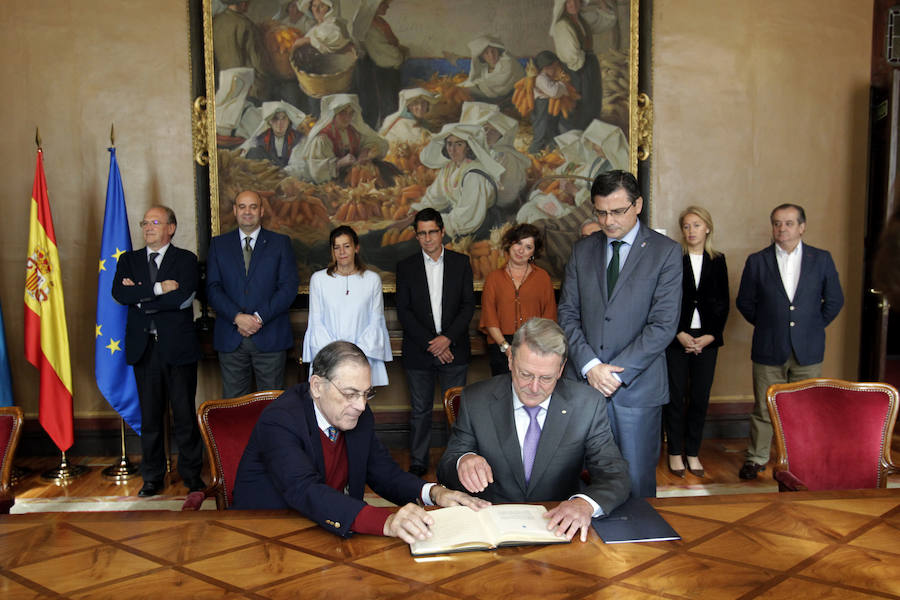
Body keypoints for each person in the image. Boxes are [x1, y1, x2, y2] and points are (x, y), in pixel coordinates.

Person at [232, 341, 489, 541]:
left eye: (366, 394)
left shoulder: (357, 415)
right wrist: (385, 522)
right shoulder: (280, 420)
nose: (360, 405)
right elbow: (304, 490)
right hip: (268, 531)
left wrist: (434, 492)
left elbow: (384, 474)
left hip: (329, 526)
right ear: (317, 386)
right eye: (350, 394)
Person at [437, 318, 630, 542]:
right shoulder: (476, 399)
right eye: (525, 374)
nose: (534, 388)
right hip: (492, 527)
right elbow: (446, 467)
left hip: (560, 526)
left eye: (546, 378)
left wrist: (584, 504)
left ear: (560, 370)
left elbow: (615, 474)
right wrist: (464, 460)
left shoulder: (587, 404)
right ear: (510, 360)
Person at [557, 170, 682, 498]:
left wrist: (614, 373)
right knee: (577, 483)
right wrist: (590, 367)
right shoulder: (582, 251)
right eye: (601, 212)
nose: (608, 221)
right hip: (584, 386)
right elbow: (568, 315)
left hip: (637, 391)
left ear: (637, 205)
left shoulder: (665, 252)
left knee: (637, 482)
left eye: (617, 211)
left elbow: (663, 325)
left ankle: (642, 547)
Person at [735, 203, 844, 480]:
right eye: (777, 223)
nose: (782, 228)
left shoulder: (821, 259)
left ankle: (801, 459)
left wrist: (811, 327)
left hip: (808, 349)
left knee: (806, 408)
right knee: (763, 407)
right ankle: (756, 458)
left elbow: (834, 300)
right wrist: (771, 325)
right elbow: (745, 303)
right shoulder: (757, 261)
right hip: (768, 347)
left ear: (802, 227)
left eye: (788, 223)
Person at [112, 206, 205, 497]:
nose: (148, 227)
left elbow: (183, 298)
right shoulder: (129, 260)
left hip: (178, 349)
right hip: (144, 350)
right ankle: (152, 477)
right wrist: (159, 287)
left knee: (184, 416)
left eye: (155, 222)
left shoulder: (186, 260)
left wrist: (142, 297)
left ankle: (192, 476)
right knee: (150, 417)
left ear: (171, 228)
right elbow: (120, 294)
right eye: (145, 222)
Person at [396, 209, 475, 476]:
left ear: (442, 232)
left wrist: (447, 340)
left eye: (432, 232)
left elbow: (467, 306)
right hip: (420, 351)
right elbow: (404, 311)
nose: (428, 238)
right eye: (422, 233)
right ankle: (419, 460)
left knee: (457, 410)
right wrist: (433, 344)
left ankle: (457, 461)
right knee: (420, 409)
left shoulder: (461, 263)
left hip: (454, 350)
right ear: (416, 236)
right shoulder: (405, 267)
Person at [206, 191, 299, 398]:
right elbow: (212, 288)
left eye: (253, 207)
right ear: (235, 210)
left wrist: (258, 318)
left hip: (270, 336)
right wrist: (238, 318)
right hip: (231, 337)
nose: (247, 211)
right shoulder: (218, 245)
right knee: (234, 406)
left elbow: (288, 288)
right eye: (242, 206)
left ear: (262, 211)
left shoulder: (280, 243)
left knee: (271, 406)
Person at [664, 207, 729, 478]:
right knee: (675, 398)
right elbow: (666, 301)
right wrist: (678, 332)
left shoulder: (718, 260)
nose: (691, 231)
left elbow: (723, 302)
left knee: (700, 398)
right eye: (687, 226)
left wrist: (710, 336)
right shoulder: (673, 259)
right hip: (677, 338)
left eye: (696, 225)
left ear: (708, 228)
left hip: (706, 339)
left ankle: (693, 452)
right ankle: (675, 454)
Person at [302, 226, 392, 386]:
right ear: (332, 251)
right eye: (336, 247)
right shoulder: (319, 280)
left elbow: (375, 322)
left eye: (346, 246)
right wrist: (336, 355)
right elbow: (316, 323)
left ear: (356, 248)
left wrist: (355, 355)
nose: (341, 252)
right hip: (329, 359)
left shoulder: (372, 280)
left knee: (358, 405)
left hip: (363, 358)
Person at [480, 224, 557, 376]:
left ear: (534, 252)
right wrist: (506, 348)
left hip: (535, 347)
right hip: (501, 347)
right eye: (518, 243)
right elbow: (490, 319)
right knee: (502, 395)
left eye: (528, 247)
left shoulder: (543, 278)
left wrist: (532, 348)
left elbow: (549, 319)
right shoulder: (493, 278)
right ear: (510, 243)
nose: (521, 250)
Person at [412, 123, 505, 239]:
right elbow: (435, 198)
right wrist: (417, 213)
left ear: (469, 147)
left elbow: (466, 218)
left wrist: (428, 222)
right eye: (449, 144)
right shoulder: (449, 168)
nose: (452, 150)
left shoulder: (475, 175)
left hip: (475, 228)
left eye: (459, 144)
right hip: (454, 222)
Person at [295, 93, 394, 185]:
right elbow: (317, 172)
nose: (347, 117)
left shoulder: (354, 131)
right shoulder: (323, 138)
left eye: (351, 113)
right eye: (343, 113)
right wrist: (340, 162)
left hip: (356, 176)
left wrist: (364, 151)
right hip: (335, 182)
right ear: (334, 114)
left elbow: (375, 141)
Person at [549, 0, 616, 130]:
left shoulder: (583, 20)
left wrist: (602, 4)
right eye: (568, 2)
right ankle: (574, 133)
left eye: (576, 1)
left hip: (588, 64)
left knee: (592, 99)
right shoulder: (562, 25)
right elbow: (570, 53)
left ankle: (590, 130)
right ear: (564, 6)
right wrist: (582, 62)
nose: (573, 4)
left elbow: (605, 22)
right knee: (578, 100)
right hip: (574, 67)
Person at [352, 0, 406, 129]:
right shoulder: (367, 24)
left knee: (390, 105)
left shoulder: (380, 23)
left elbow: (394, 42)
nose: (387, 6)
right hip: (378, 69)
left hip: (388, 68)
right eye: (384, 4)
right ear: (374, 5)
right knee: (381, 106)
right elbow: (390, 44)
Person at [213, 0, 270, 102]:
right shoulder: (247, 25)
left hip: (221, 91)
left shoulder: (215, 21)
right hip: (247, 92)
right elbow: (259, 65)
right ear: (243, 3)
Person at [458, 35, 524, 102]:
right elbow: (478, 81)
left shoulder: (508, 63)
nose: (491, 55)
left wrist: (469, 88)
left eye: (493, 51)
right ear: (482, 56)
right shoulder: (484, 69)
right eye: (486, 53)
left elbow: (499, 86)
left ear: (498, 50)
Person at [242, 101, 307, 168]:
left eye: (283, 118)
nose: (280, 123)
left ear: (289, 120)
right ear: (270, 121)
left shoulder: (297, 138)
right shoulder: (260, 139)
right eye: (275, 119)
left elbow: (299, 165)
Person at [528, 50, 570, 154]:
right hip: (541, 108)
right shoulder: (541, 79)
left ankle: (552, 151)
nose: (557, 70)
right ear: (546, 67)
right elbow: (554, 92)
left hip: (548, 108)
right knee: (541, 131)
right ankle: (533, 152)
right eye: (555, 68)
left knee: (552, 130)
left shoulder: (547, 78)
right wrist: (562, 85)